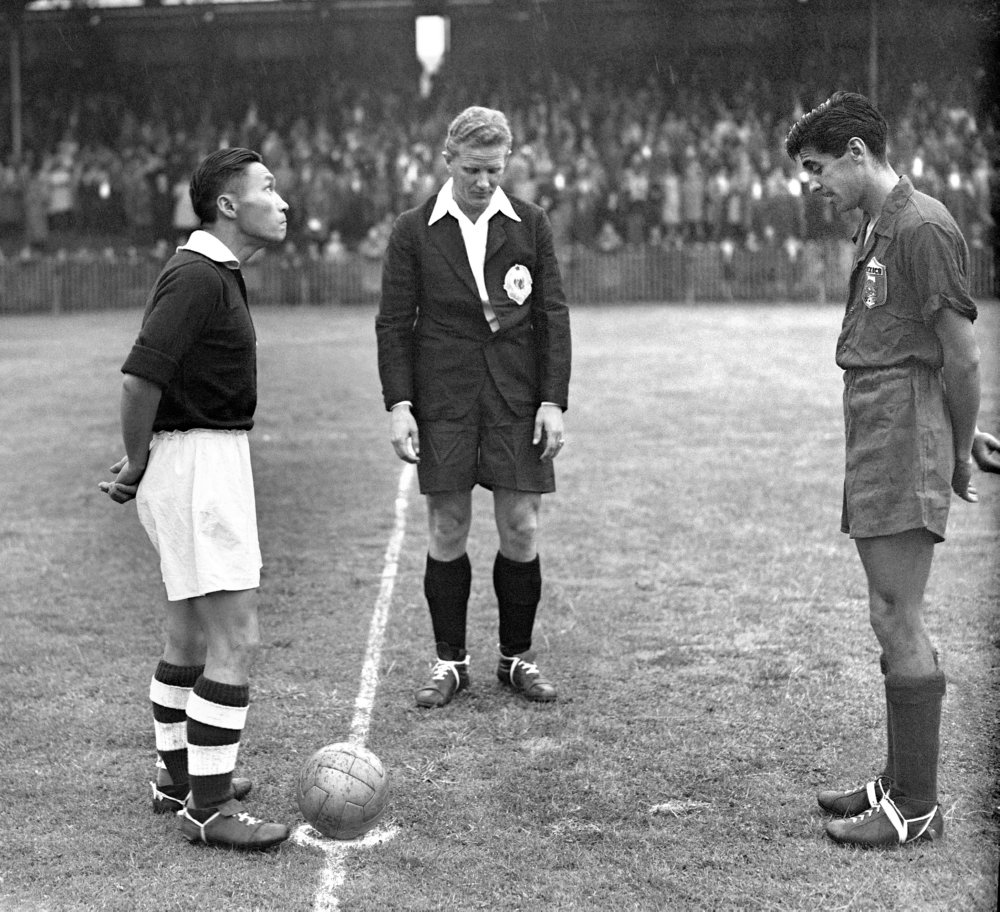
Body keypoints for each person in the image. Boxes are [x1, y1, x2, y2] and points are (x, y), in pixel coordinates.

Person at [784, 91, 996, 848]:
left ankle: (918, 806)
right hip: (885, 420)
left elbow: (962, 352)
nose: (814, 185)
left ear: (856, 154)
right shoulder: (881, 225)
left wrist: (958, 443)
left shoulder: (921, 224)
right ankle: (897, 781)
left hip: (904, 425)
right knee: (888, 610)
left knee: (896, 614)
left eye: (818, 169)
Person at [99, 148, 290, 850]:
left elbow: (159, 388)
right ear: (230, 205)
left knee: (186, 632)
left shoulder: (213, 272)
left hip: (197, 458)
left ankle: (177, 781)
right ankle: (208, 810)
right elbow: (138, 380)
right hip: (199, 466)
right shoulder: (198, 275)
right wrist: (144, 458)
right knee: (236, 637)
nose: (283, 200)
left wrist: (151, 458)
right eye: (269, 188)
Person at [375, 106, 571, 709]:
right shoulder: (414, 229)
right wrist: (400, 404)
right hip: (445, 398)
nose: (484, 182)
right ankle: (449, 662)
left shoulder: (531, 224)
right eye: (472, 170)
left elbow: (552, 318)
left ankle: (515, 660)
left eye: (494, 169)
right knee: (448, 527)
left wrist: (552, 401)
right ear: (448, 161)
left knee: (521, 526)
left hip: (515, 396)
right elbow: (393, 323)